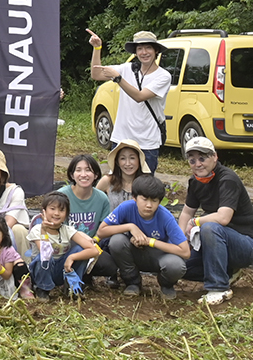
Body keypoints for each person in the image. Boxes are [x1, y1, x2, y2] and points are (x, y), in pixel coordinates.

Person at [177, 136, 253, 306]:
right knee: (179, 266)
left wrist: (196, 222)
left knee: (209, 227)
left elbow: (223, 217)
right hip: (217, 243)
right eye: (192, 160)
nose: (198, 164)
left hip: (246, 243)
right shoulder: (195, 181)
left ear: (215, 157)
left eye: (202, 158)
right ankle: (228, 272)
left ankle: (219, 287)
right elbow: (186, 212)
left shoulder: (227, 179)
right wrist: (180, 242)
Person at [88, 30, 172, 172]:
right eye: (139, 48)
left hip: (147, 142)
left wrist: (118, 79)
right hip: (121, 139)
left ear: (156, 50)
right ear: (135, 52)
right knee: (118, 183)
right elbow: (96, 74)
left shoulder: (163, 76)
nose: (144, 52)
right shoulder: (127, 68)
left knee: (144, 189)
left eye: (148, 48)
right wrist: (97, 48)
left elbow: (139, 96)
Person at [98, 174, 190, 298]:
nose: (149, 205)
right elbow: (101, 231)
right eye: (144, 199)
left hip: (159, 255)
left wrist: (151, 242)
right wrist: (130, 227)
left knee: (176, 265)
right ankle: (132, 282)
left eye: (154, 200)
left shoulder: (165, 216)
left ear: (160, 201)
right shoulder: (126, 207)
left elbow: (185, 252)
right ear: (134, 197)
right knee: (117, 241)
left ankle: (166, 284)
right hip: (135, 253)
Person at [24, 192, 100, 300]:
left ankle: (72, 286)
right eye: (52, 209)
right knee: (46, 257)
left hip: (62, 269)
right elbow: (45, 254)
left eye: (61, 210)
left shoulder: (67, 230)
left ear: (66, 215)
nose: (57, 213)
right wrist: (44, 230)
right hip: (42, 270)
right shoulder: (37, 229)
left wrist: (71, 257)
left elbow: (94, 251)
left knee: (79, 249)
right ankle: (42, 289)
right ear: (44, 211)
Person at [58, 153, 116, 285]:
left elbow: (103, 227)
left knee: (109, 266)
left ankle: (84, 274)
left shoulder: (102, 198)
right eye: (78, 170)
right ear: (72, 175)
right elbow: (56, 226)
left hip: (90, 245)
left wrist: (94, 240)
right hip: (65, 244)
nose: (83, 174)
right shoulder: (62, 195)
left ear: (95, 175)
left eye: (88, 170)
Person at [98, 140, 151, 208]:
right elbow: (92, 202)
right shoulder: (108, 181)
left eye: (132, 158)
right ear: (117, 162)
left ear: (139, 160)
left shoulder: (147, 183)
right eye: (123, 158)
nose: (128, 163)